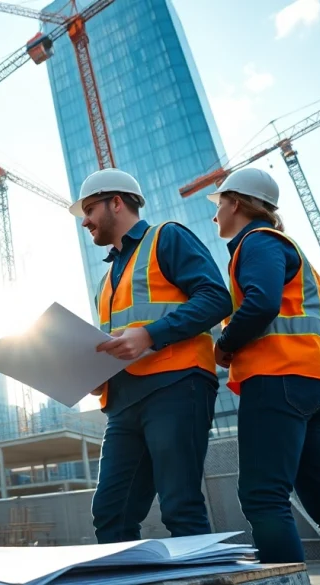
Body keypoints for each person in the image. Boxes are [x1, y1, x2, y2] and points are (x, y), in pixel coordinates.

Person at [210, 168, 320, 584]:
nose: (215, 214)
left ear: (236, 203)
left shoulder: (257, 242)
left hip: (279, 379)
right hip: (315, 384)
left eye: (219, 204)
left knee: (262, 496)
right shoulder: (287, 249)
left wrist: (224, 344)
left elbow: (261, 303)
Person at [70, 168, 232, 544]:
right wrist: (97, 374)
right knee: (111, 513)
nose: (85, 222)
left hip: (175, 386)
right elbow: (120, 340)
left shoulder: (167, 237)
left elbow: (215, 298)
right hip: (123, 403)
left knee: (180, 506)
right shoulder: (106, 281)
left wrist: (149, 335)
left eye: (90, 209)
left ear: (116, 202)